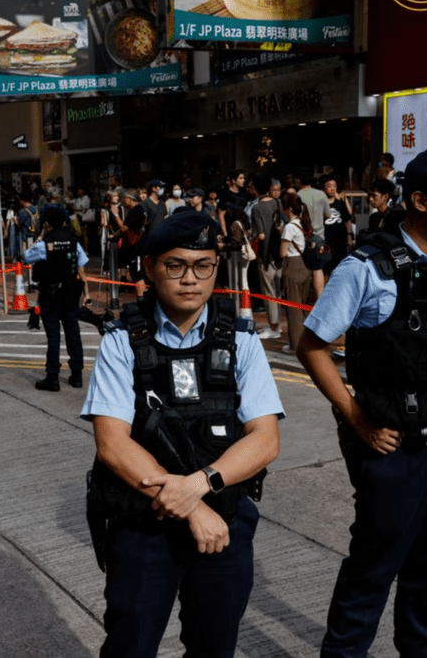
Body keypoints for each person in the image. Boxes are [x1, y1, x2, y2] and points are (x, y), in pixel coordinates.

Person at [296, 147, 427, 658]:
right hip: (396, 453)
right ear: (419, 201)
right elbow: (312, 346)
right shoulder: (367, 267)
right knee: (371, 575)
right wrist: (356, 416)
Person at [82, 211, 282, 658]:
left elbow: (264, 440)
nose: (190, 279)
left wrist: (196, 487)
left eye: (203, 265)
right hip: (142, 527)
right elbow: (113, 444)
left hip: (223, 523)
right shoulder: (121, 341)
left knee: (215, 646)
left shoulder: (242, 339)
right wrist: (193, 510)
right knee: (130, 645)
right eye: (175, 266)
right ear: (150, 268)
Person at [25, 204, 89, 391]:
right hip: (70, 293)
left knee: (53, 335)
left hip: (50, 294)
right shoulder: (73, 241)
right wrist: (87, 293)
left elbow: (27, 257)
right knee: (73, 333)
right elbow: (82, 266)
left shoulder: (45, 243)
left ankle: (52, 377)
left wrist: (42, 236)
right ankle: (76, 375)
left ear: (46, 223)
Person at [279, 192, 314, 354]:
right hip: (305, 266)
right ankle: (307, 341)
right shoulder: (304, 223)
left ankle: (296, 345)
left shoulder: (289, 227)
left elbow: (282, 253)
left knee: (293, 309)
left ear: (288, 209)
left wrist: (281, 234)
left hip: (292, 266)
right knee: (302, 306)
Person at [250, 175, 283, 339]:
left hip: (266, 255)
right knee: (278, 291)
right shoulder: (277, 203)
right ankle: (278, 325)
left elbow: (260, 235)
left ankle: (274, 328)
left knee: (269, 292)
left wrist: (250, 235)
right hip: (279, 254)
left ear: (256, 189)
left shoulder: (256, 208)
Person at [322, 175, 354, 275]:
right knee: (326, 270)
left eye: (334, 186)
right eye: (329, 186)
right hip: (326, 242)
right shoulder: (320, 204)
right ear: (323, 188)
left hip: (340, 241)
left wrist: (349, 237)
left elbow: (347, 220)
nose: (332, 188)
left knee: (341, 268)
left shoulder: (340, 203)